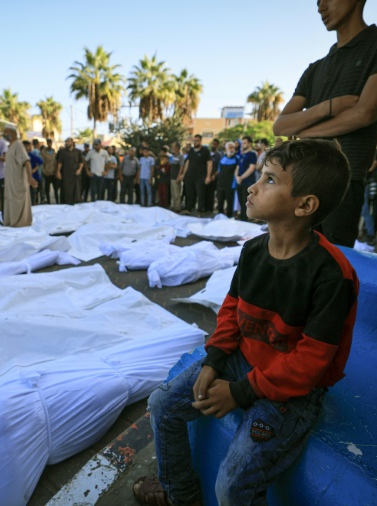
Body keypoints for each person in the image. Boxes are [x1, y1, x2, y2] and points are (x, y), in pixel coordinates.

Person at [132, 139, 357, 506]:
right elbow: (232, 309)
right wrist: (214, 360)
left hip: (293, 391)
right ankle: (180, 495)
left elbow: (309, 363)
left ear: (305, 205)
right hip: (242, 360)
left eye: (269, 179)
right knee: (162, 404)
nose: (252, 186)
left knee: (232, 485)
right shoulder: (253, 250)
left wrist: (240, 392)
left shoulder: (332, 275)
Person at [274, 0, 377, 247]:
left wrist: (303, 132)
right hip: (302, 176)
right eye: (317, 2)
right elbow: (280, 126)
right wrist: (331, 106)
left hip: (344, 177)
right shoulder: (315, 68)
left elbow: (364, 113)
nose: (320, 7)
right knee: (294, 256)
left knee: (333, 263)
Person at [2, 124, 37, 227]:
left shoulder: (18, 145)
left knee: (17, 202)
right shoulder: (11, 146)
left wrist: (30, 177)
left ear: (13, 133)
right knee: (11, 201)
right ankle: (12, 222)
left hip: (18, 181)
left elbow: (27, 162)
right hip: (11, 181)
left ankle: (19, 223)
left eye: (6, 132)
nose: (5, 134)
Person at [177, 134, 213, 215]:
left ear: (200, 141)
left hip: (200, 177)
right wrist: (183, 174)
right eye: (194, 140)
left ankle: (200, 211)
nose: (195, 142)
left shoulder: (205, 150)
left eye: (196, 141)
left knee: (200, 195)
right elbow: (187, 162)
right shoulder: (191, 150)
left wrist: (208, 176)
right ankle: (189, 209)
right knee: (190, 194)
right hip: (190, 176)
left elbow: (209, 163)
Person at [56, 137, 84, 205]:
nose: (67, 143)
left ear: (72, 142)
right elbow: (60, 162)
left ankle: (76, 204)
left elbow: (81, 162)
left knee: (76, 191)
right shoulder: (62, 152)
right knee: (66, 191)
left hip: (75, 175)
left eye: (68, 141)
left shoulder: (78, 152)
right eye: (66, 141)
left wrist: (79, 170)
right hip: (65, 174)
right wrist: (58, 171)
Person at [236, 137, 258, 221]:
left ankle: (244, 220)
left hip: (248, 182)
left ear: (249, 143)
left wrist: (241, 177)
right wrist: (237, 177)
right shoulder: (242, 154)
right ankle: (242, 218)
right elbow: (237, 168)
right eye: (242, 143)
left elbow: (251, 168)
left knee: (246, 202)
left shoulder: (252, 154)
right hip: (239, 182)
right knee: (241, 202)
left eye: (245, 143)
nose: (243, 144)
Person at [23, 140, 43, 204]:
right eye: (26, 146)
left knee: (32, 196)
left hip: (32, 178)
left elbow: (40, 161)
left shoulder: (31, 155)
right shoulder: (19, 155)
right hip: (23, 179)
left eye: (28, 146)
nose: (27, 148)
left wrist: (35, 169)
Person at [206, 139, 223, 212]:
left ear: (218, 145)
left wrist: (214, 175)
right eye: (212, 143)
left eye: (215, 144)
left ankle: (210, 208)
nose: (213, 145)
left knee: (211, 193)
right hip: (206, 176)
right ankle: (205, 207)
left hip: (214, 177)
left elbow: (219, 167)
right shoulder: (208, 153)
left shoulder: (219, 155)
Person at [40, 138, 58, 204]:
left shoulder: (53, 151)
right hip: (47, 174)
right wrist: (44, 172)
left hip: (53, 173)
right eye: (48, 143)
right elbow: (42, 163)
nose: (50, 144)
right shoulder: (43, 152)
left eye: (51, 142)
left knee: (55, 189)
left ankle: (57, 202)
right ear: (47, 143)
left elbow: (56, 162)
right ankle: (48, 202)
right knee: (47, 190)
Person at [169, 142, 184, 211]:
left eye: (173, 146)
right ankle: (174, 206)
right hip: (171, 176)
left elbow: (181, 167)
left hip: (176, 177)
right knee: (173, 192)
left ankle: (177, 207)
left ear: (177, 148)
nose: (172, 148)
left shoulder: (181, 156)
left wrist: (179, 176)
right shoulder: (172, 156)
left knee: (177, 193)